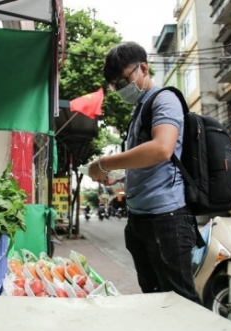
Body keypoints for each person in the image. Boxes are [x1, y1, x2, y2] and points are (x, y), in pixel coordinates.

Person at [87, 41, 202, 306]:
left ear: (143, 69)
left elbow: (162, 148)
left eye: (124, 79)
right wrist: (116, 178)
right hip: (141, 220)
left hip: (167, 218)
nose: (120, 88)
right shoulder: (139, 110)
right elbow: (147, 166)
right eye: (115, 85)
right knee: (154, 299)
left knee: (179, 302)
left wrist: (105, 163)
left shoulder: (165, 99)